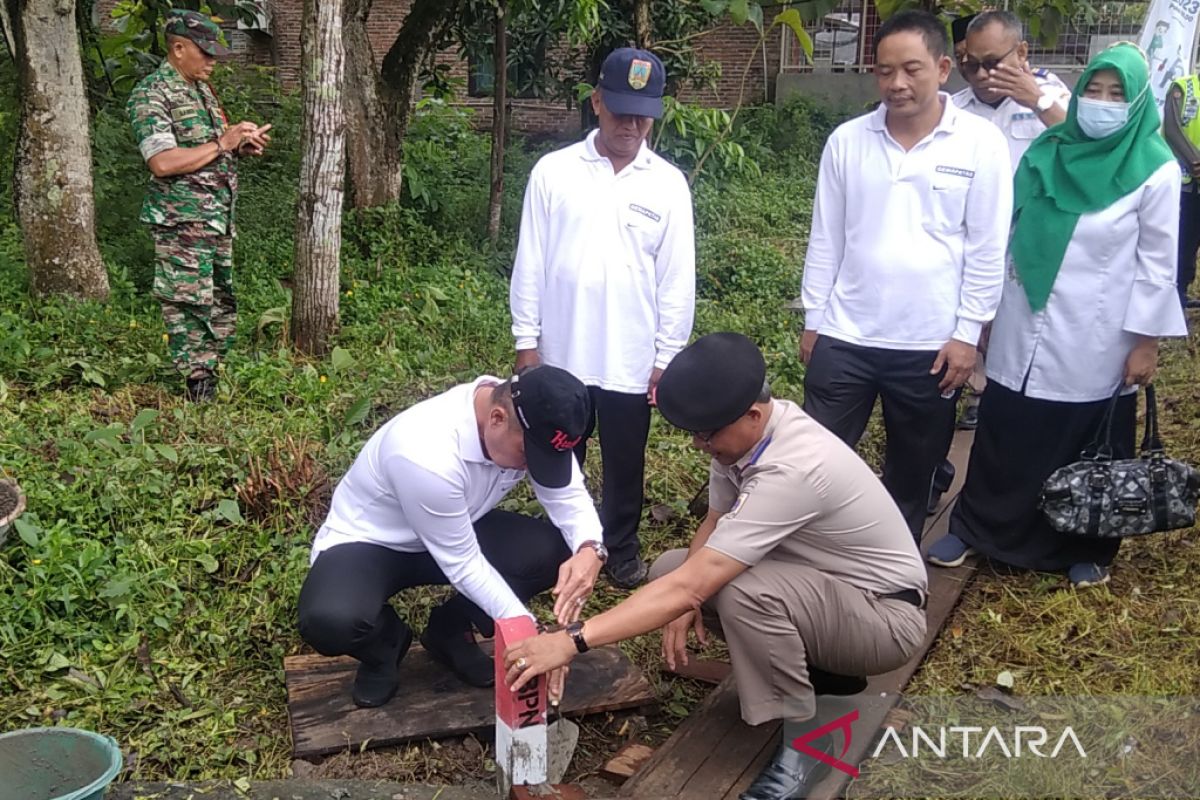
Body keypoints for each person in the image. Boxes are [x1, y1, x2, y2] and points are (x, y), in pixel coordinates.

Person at [499, 333, 927, 800]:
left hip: (884, 620)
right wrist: (684, 598)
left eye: (707, 435)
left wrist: (572, 640)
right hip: (830, 594)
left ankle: (808, 743)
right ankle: (825, 672)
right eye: (695, 435)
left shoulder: (795, 467)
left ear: (753, 415)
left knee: (741, 590)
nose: (701, 445)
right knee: (670, 568)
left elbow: (700, 581)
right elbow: (715, 521)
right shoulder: (742, 439)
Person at [927, 43, 1189, 588]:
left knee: (1085, 436)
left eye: (1117, 94)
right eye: (1093, 89)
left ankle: (1086, 541)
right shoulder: (1047, 149)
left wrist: (1146, 341)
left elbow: (1158, 264)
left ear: (1138, 101)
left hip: (1098, 332)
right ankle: (978, 528)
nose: (1101, 102)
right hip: (1023, 314)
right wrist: (984, 312)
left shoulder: (1155, 170)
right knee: (1007, 427)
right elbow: (1007, 231)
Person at [799, 9, 1012, 539]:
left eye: (911, 69)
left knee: (911, 473)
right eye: (884, 71)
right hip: (846, 336)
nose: (896, 83)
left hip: (930, 346)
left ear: (943, 68)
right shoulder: (848, 141)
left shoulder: (980, 144)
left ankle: (894, 579)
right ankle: (808, 561)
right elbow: (826, 236)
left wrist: (967, 334)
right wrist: (814, 319)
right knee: (812, 465)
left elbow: (988, 247)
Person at [296, 366, 607, 708]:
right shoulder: (425, 454)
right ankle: (385, 646)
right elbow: (464, 564)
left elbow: (566, 495)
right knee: (329, 619)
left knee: (555, 551)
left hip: (458, 524)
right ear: (497, 419)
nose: (532, 468)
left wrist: (591, 548)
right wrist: (528, 634)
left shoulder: (528, 419)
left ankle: (449, 630)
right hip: (373, 542)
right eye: (528, 457)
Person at [509, 47, 696, 589]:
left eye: (643, 114)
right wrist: (527, 342)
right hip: (562, 352)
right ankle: (564, 547)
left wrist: (666, 357)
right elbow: (532, 261)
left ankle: (621, 549)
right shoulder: (554, 172)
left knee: (624, 462)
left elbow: (676, 279)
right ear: (596, 103)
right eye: (620, 110)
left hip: (630, 357)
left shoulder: (667, 184)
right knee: (562, 455)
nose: (631, 124)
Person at [128, 10, 271, 402]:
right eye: (204, 52)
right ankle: (197, 388)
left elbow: (207, 152)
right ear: (178, 48)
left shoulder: (200, 91)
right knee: (188, 302)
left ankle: (214, 372)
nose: (212, 61)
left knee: (221, 297)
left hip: (215, 218)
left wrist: (240, 146)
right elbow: (162, 162)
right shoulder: (152, 94)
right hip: (182, 222)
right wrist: (223, 143)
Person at [943, 10, 1071, 435]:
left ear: (1021, 52)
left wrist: (1036, 100)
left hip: (1031, 252)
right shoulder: (954, 111)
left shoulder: (1054, 100)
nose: (980, 74)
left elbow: (1086, 152)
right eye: (970, 63)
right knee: (970, 339)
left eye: (992, 63)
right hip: (970, 247)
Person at [1161, 70, 1200, 309]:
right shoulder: (1183, 87)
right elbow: (1174, 130)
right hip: (1188, 185)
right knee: (1184, 243)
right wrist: (1196, 162)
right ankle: (1176, 298)